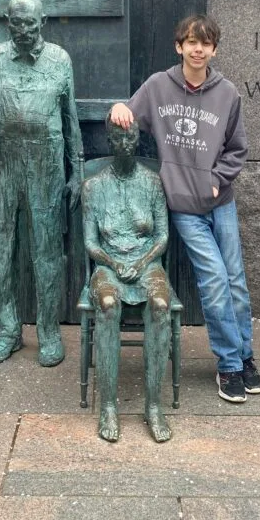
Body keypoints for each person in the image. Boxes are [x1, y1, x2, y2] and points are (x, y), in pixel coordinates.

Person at [110, 14, 260, 404]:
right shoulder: (158, 86)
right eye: (191, 42)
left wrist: (217, 178)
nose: (198, 49)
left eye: (205, 43)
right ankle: (229, 365)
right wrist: (119, 106)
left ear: (214, 50)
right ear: (179, 46)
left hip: (220, 202)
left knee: (236, 283)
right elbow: (128, 114)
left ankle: (245, 356)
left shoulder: (227, 93)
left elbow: (237, 149)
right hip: (184, 207)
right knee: (214, 282)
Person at [0, 0, 83, 367]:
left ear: (42, 22)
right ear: (7, 22)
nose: (24, 30)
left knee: (47, 251)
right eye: (17, 23)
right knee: (2, 249)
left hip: (47, 166)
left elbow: (70, 118)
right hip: (2, 163)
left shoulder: (60, 59)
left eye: (30, 23)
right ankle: (8, 330)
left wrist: (77, 170)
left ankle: (49, 331)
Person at [83, 115, 172, 444]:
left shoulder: (152, 183)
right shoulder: (93, 187)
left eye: (131, 138)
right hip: (108, 266)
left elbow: (162, 236)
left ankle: (154, 406)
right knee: (107, 304)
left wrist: (143, 261)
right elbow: (90, 243)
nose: (125, 144)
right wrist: (113, 263)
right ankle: (108, 406)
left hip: (147, 264)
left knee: (160, 305)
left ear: (138, 139)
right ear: (109, 141)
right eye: (119, 138)